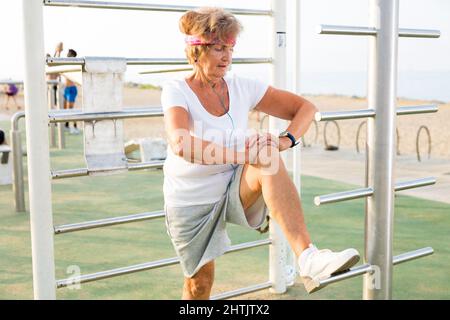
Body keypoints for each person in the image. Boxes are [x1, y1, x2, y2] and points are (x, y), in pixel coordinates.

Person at [161, 7, 360, 300]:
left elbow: (305, 109)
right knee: (199, 285)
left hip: (234, 188)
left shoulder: (242, 86)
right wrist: (242, 153)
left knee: (266, 152)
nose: (227, 56)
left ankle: (308, 258)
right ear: (196, 51)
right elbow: (181, 143)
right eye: (218, 48)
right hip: (190, 199)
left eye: (230, 47)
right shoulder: (176, 89)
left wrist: (285, 139)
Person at [62, 49, 79, 134]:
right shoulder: (65, 63)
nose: (67, 55)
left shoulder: (73, 65)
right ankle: (67, 125)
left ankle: (75, 127)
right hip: (66, 89)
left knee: (70, 110)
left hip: (72, 89)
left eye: (69, 54)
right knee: (65, 109)